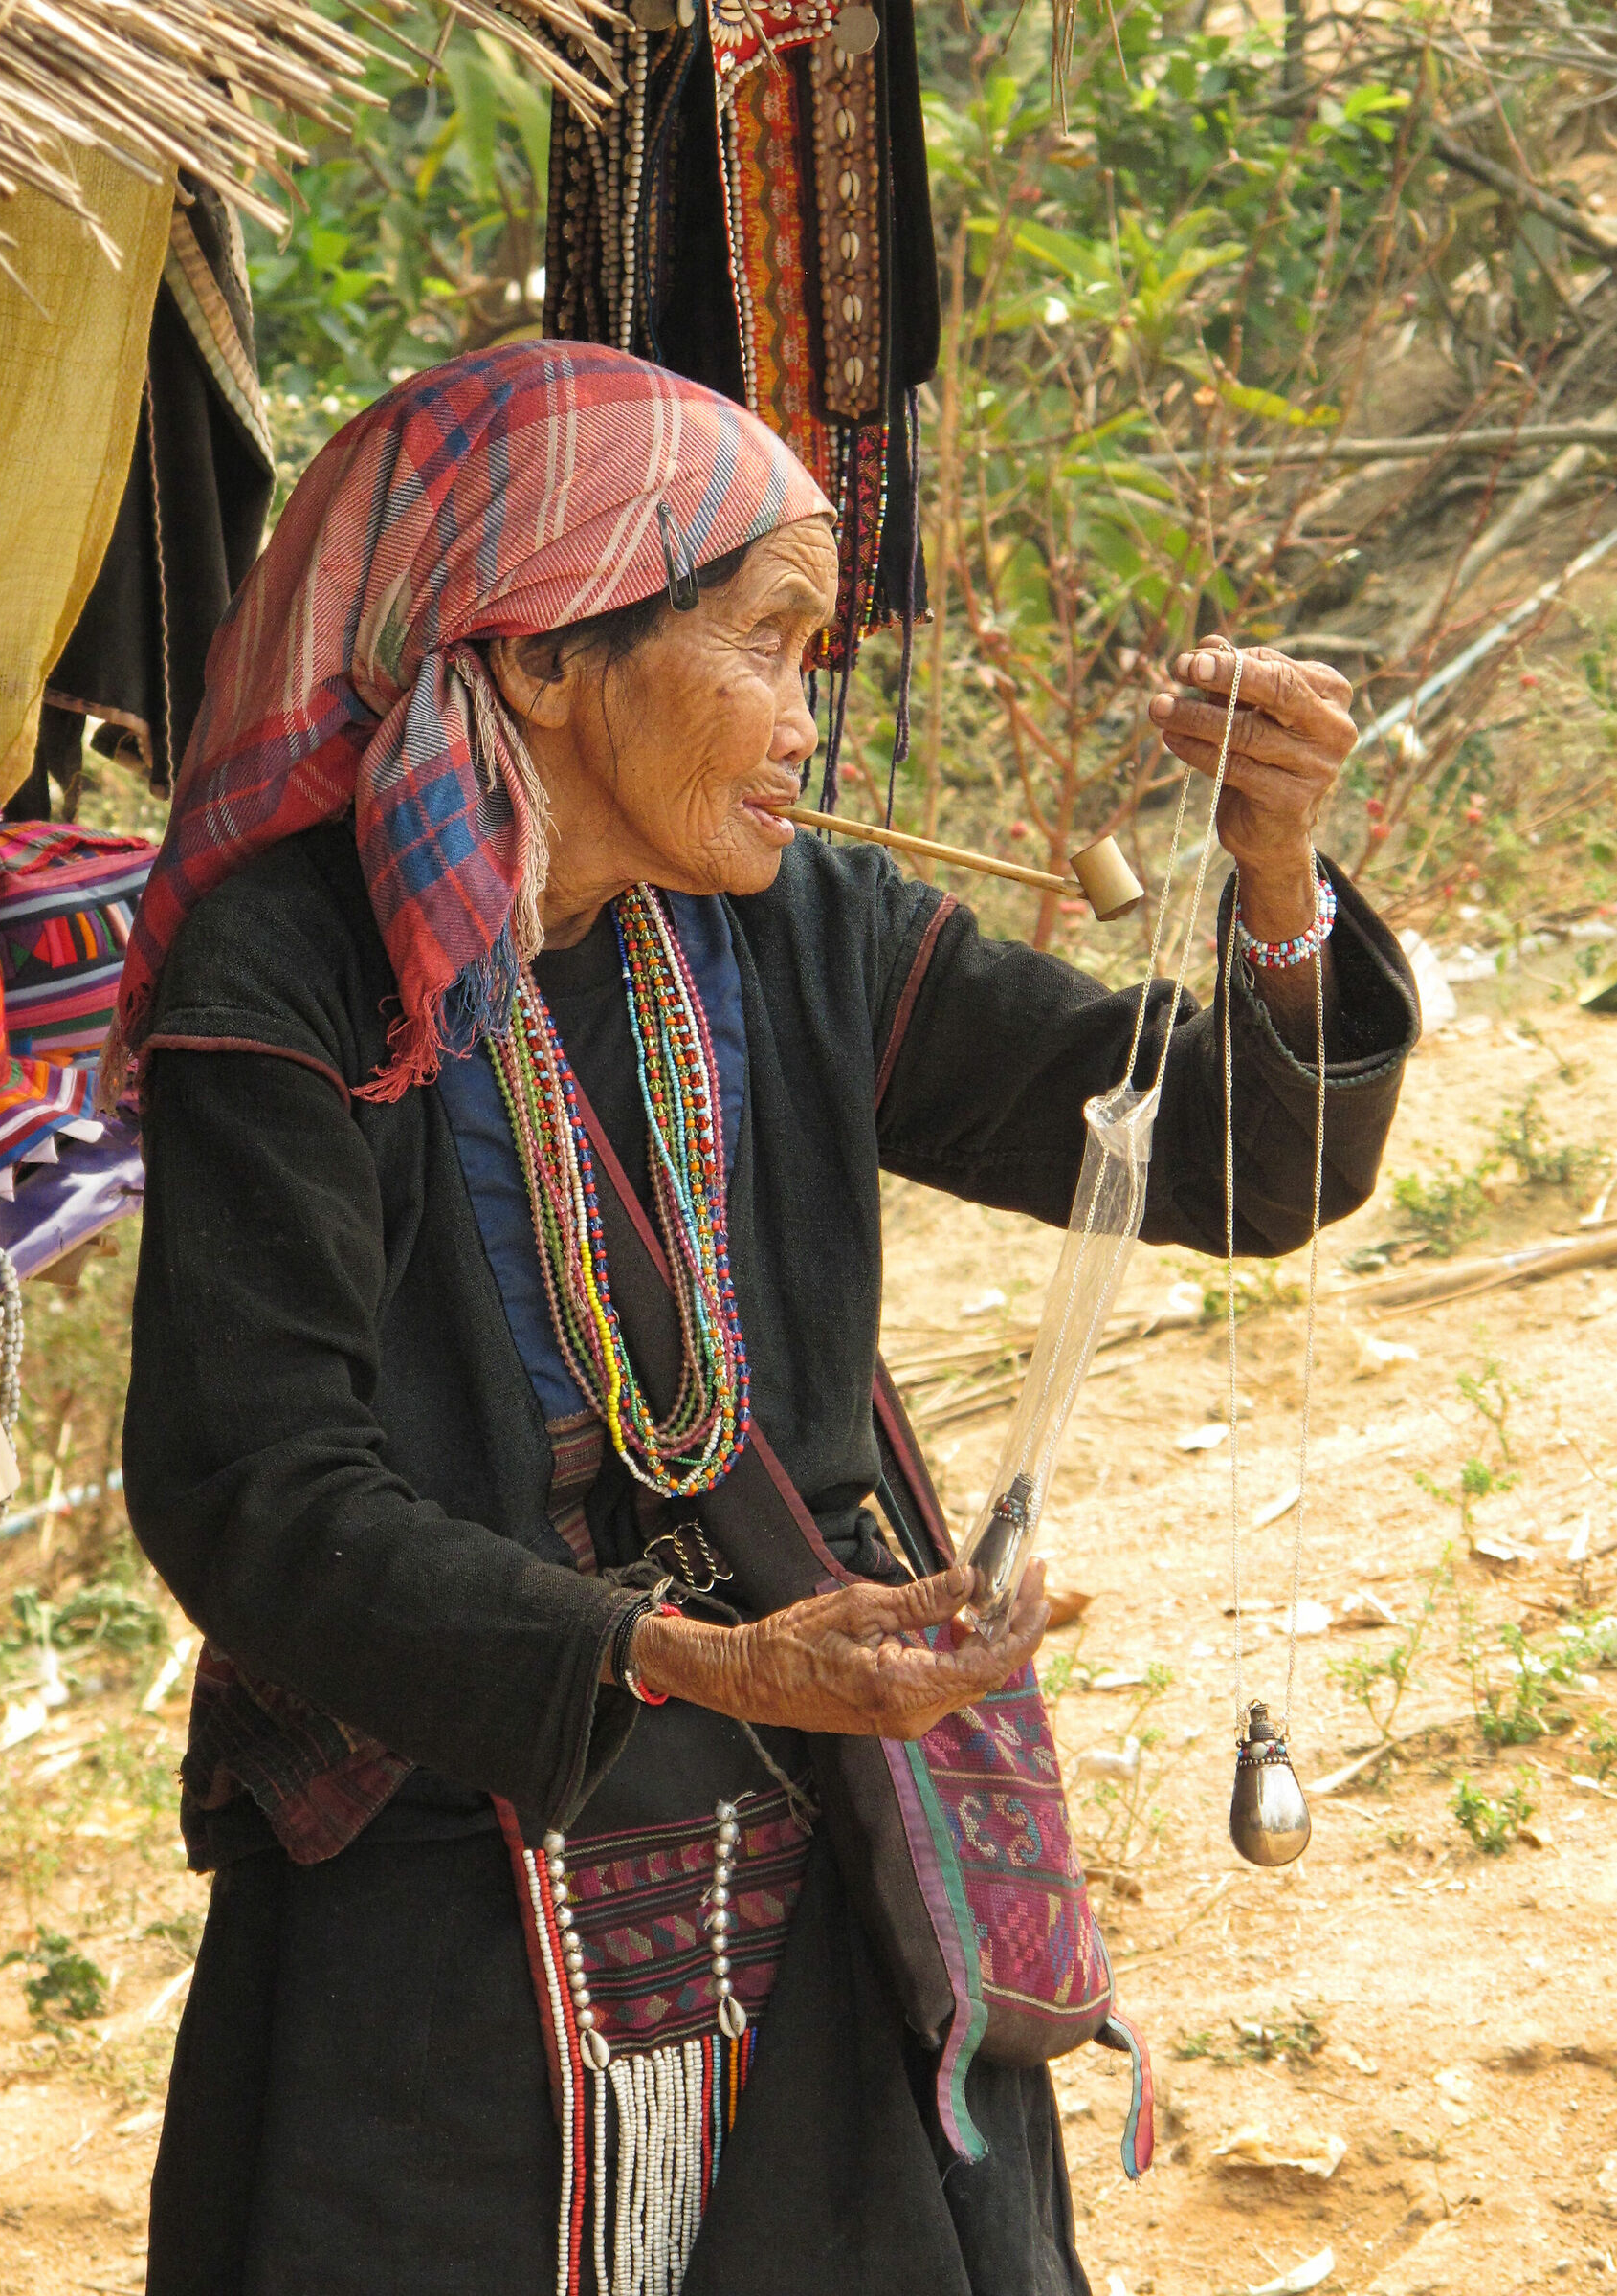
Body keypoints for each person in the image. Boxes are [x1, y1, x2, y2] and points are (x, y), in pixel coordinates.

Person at [118, 342, 1418, 2296]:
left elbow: (1224, 1160)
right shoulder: (293, 971)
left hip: (820, 1809)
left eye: (814, 657)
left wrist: (1277, 877)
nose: (805, 724)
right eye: (765, 644)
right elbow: (255, 1492)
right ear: (539, 655)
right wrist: (685, 1658)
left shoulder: (795, 930)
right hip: (446, 1857)